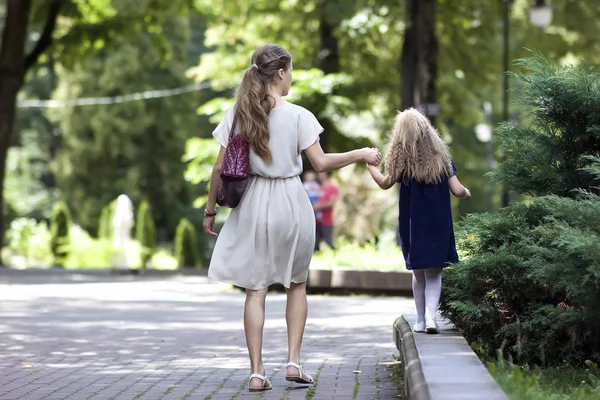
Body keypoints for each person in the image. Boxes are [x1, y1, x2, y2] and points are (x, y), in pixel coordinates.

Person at [202, 44, 381, 392]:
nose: (292, 77)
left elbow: (220, 167)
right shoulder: (300, 115)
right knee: (296, 284)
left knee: (255, 289)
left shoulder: (238, 113)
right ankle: (294, 362)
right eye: (291, 71)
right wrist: (360, 153)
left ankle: (256, 373)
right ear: (281, 73)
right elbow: (322, 164)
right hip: (291, 202)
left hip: (253, 203)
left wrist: (211, 210)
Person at [366, 108, 471, 334]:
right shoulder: (442, 159)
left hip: (414, 224)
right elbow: (457, 189)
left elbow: (384, 183)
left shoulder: (401, 163)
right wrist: (466, 193)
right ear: (427, 131)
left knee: (418, 273)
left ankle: (421, 320)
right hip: (438, 222)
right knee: (435, 272)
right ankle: (433, 318)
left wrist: (370, 167)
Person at [312, 171, 339, 251]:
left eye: (321, 173)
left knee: (329, 243)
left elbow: (331, 203)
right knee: (314, 245)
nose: (319, 175)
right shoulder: (317, 188)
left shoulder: (333, 188)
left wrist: (317, 206)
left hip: (326, 221)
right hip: (316, 221)